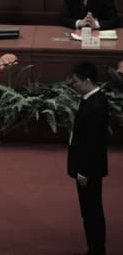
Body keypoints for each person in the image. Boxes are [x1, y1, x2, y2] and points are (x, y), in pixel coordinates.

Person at [68, 61, 109, 255]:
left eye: (75, 81)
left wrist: (83, 171)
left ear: (87, 80)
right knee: (88, 211)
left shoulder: (97, 105)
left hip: (89, 170)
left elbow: (93, 144)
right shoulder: (90, 99)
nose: (73, 84)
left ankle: (97, 250)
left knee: (92, 211)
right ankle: (93, 247)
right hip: (86, 166)